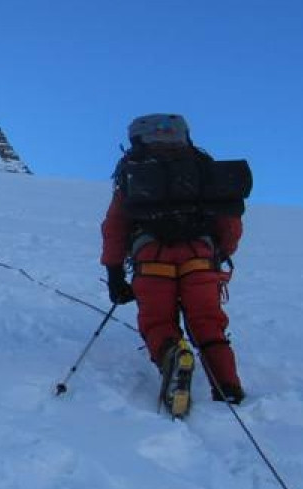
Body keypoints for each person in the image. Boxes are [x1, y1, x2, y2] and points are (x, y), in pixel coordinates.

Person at [100, 113, 247, 406]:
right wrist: (220, 253)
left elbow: (114, 227)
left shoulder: (134, 173)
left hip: (151, 259)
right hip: (200, 259)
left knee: (157, 321)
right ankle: (228, 387)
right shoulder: (202, 170)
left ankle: (172, 356)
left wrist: (115, 274)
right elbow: (229, 220)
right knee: (207, 322)